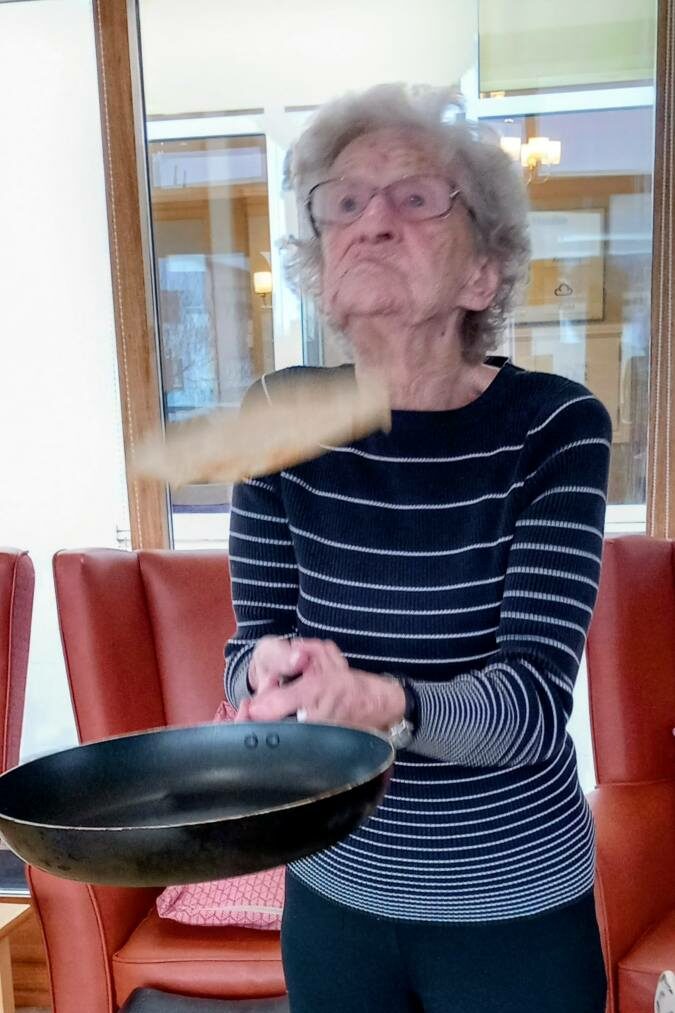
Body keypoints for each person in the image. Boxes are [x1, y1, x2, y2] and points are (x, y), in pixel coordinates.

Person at [225, 83, 610, 1013]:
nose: (372, 222)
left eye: (414, 197)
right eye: (343, 204)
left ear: (483, 272)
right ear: (318, 268)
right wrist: (264, 676)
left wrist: (377, 704)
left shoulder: (553, 427)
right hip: (335, 889)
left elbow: (528, 709)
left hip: (510, 903)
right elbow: (248, 644)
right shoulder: (278, 416)